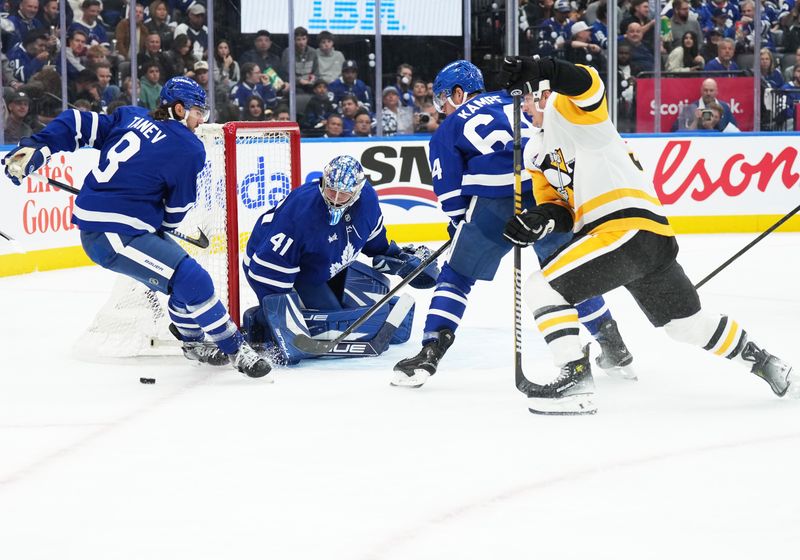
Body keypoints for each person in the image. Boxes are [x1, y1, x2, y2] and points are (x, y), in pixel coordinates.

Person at [499, 56, 795, 414]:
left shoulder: (572, 109)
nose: (524, 107)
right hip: (644, 241)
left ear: (543, 94)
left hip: (623, 227)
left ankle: (575, 381)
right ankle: (766, 363)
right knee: (686, 326)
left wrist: (543, 68)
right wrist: (538, 220)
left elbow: (587, 81)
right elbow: (559, 207)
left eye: (528, 99)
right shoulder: (535, 151)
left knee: (541, 287)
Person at [1, 77, 272, 379]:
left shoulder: (130, 116)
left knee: (185, 281)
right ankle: (236, 349)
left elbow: (78, 122)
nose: (201, 121)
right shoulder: (189, 148)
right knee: (193, 278)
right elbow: (175, 214)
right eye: (198, 112)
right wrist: (158, 220)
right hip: (114, 234)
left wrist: (39, 144)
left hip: (113, 229)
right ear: (179, 109)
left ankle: (193, 342)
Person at [392, 60, 635, 388]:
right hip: (545, 192)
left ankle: (429, 354)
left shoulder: (447, 130)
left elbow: (450, 195)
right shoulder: (519, 101)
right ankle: (613, 346)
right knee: (569, 274)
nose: (442, 109)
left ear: (459, 93)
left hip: (492, 202)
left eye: (443, 99)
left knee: (457, 277)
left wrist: (460, 223)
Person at [240, 155, 438, 365]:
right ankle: (258, 321)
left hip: (325, 263)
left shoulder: (367, 201)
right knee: (332, 324)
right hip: (278, 268)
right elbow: (266, 269)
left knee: (352, 316)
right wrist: (278, 317)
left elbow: (373, 241)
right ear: (323, 182)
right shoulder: (300, 214)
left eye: (343, 194)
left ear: (358, 190)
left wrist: (397, 258)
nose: (335, 198)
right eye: (331, 190)